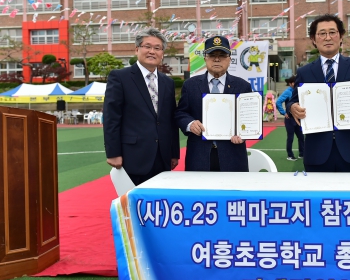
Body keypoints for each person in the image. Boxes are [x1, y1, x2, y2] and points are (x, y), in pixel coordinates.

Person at [287, 14, 350, 172]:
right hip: (316, 152)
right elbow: (292, 101)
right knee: (318, 196)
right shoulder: (305, 71)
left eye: (332, 32)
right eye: (322, 33)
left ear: (341, 36)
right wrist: (292, 106)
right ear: (314, 39)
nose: (328, 37)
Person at [103, 28, 180, 184]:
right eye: (147, 46)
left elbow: (170, 120)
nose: (152, 51)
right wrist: (113, 153)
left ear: (162, 53)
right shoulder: (120, 77)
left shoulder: (168, 82)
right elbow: (112, 118)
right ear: (137, 49)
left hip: (162, 157)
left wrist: (174, 153)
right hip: (132, 157)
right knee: (134, 206)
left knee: (159, 205)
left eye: (157, 48)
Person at [175, 35, 252, 171]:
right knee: (200, 192)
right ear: (205, 58)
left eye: (222, 55)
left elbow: (249, 118)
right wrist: (190, 123)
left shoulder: (242, 86)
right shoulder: (190, 85)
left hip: (233, 155)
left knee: (232, 192)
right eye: (212, 55)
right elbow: (181, 113)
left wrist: (244, 134)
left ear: (229, 59)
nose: (217, 59)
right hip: (199, 155)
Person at [276, 75, 305, 161]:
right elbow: (278, 102)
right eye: (294, 82)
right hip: (290, 119)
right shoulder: (288, 92)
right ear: (290, 83)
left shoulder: (299, 90)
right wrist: (283, 113)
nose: (296, 84)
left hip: (298, 118)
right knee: (290, 137)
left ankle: (302, 154)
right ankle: (290, 155)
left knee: (301, 136)